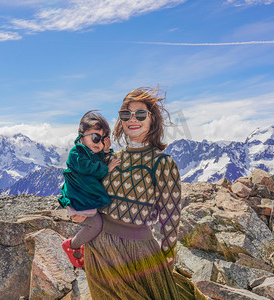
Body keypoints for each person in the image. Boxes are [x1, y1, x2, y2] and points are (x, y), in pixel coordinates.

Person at [72, 87, 206, 299]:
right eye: (126, 114)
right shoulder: (110, 159)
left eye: (140, 114)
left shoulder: (162, 163)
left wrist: (167, 260)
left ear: (153, 120)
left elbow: (169, 219)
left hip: (137, 254)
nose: (132, 119)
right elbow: (86, 190)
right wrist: (76, 212)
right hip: (98, 249)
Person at [58, 110, 121, 268]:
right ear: (81, 134)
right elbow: (89, 168)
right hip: (79, 201)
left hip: (85, 199)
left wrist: (106, 151)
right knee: (95, 225)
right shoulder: (76, 153)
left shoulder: (90, 152)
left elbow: (99, 159)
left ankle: (85, 246)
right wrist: (107, 168)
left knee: (101, 223)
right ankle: (72, 245)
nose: (98, 143)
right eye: (95, 137)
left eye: (103, 140)